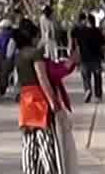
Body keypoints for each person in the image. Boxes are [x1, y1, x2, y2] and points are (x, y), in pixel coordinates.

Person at [16, 20, 70, 174]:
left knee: (29, 142)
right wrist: (53, 102)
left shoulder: (19, 55)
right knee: (45, 142)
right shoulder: (36, 53)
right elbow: (42, 79)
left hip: (25, 102)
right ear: (33, 36)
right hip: (39, 100)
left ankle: (30, 171)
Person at [69, 11, 105, 102]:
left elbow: (74, 41)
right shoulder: (97, 31)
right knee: (97, 77)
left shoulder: (80, 31)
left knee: (86, 77)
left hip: (84, 58)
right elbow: (104, 43)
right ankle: (98, 96)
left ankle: (87, 90)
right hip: (96, 58)